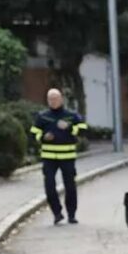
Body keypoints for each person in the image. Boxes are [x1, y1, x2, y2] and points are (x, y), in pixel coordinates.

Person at [30, 89, 87, 225]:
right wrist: (43, 137)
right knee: (49, 186)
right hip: (49, 157)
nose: (53, 102)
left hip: (67, 156)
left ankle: (71, 214)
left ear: (61, 99)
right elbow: (33, 133)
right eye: (50, 99)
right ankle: (57, 213)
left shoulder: (71, 115)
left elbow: (83, 129)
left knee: (70, 186)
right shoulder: (43, 116)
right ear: (47, 101)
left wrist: (69, 127)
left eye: (55, 99)